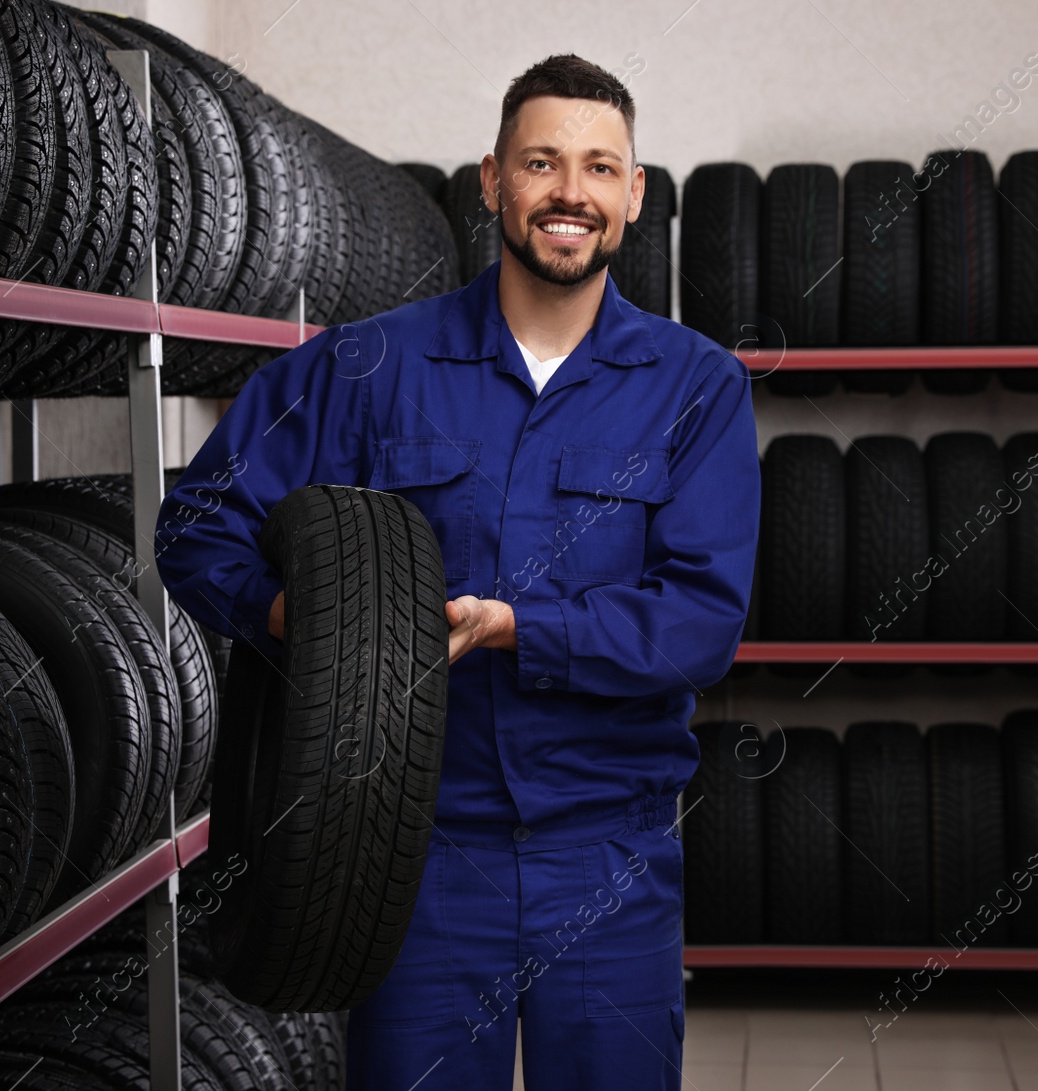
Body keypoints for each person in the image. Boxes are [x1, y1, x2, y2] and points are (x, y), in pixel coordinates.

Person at [157, 52, 759, 1091]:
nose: (571, 192)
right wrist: (285, 611)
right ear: (491, 181)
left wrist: (519, 627)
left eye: (599, 168)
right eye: (541, 161)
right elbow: (196, 524)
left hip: (606, 861)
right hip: (418, 856)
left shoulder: (694, 387)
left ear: (634, 195)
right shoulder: (367, 367)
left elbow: (699, 622)